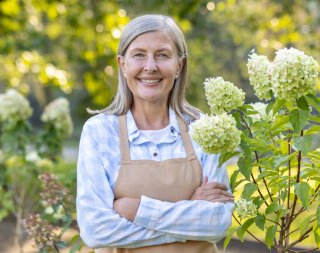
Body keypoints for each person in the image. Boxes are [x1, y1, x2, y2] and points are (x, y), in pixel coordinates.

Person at [76, 14, 234, 253]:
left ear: (179, 65)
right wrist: (190, 211)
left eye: (162, 55)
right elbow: (96, 230)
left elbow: (216, 224)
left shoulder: (204, 130)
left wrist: (137, 209)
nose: (150, 66)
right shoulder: (99, 132)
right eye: (139, 54)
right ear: (122, 64)